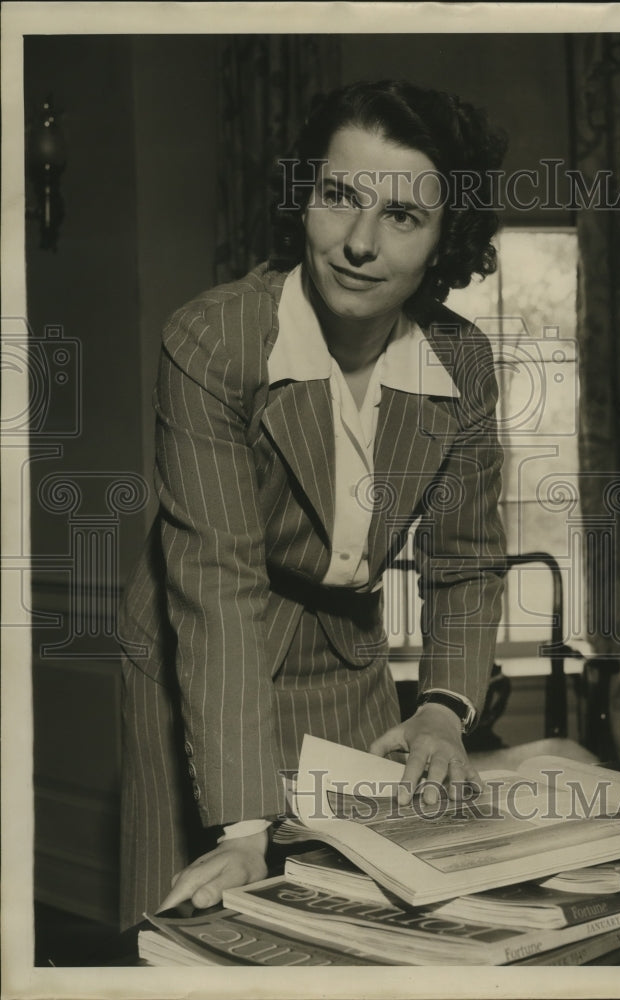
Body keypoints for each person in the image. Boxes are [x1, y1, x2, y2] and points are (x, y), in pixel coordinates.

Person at [117, 79, 508, 929]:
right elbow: (215, 585)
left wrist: (441, 708)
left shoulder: (463, 362)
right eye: (338, 197)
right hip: (202, 652)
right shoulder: (212, 340)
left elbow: (467, 560)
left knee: (357, 918)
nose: (357, 244)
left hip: (346, 651)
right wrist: (245, 827)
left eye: (402, 216)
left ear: (447, 237)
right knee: (197, 922)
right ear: (306, 194)